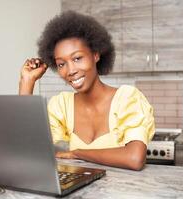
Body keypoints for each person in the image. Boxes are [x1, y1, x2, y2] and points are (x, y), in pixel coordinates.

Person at [19, 11, 155, 171]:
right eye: (61, 64)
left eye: (77, 58)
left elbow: (134, 158)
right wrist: (27, 82)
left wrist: (77, 153)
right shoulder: (61, 105)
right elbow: (29, 150)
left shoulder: (127, 99)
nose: (70, 70)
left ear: (95, 55)